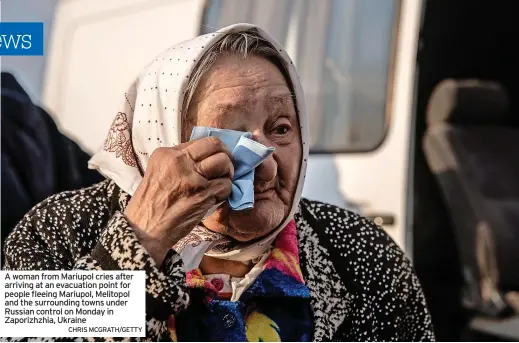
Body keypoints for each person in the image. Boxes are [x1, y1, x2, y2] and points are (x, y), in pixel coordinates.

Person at [3, 23, 435, 342]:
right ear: (162, 137)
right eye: (230, 132)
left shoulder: (358, 247)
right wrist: (143, 238)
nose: (265, 164)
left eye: (281, 128)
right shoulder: (59, 229)